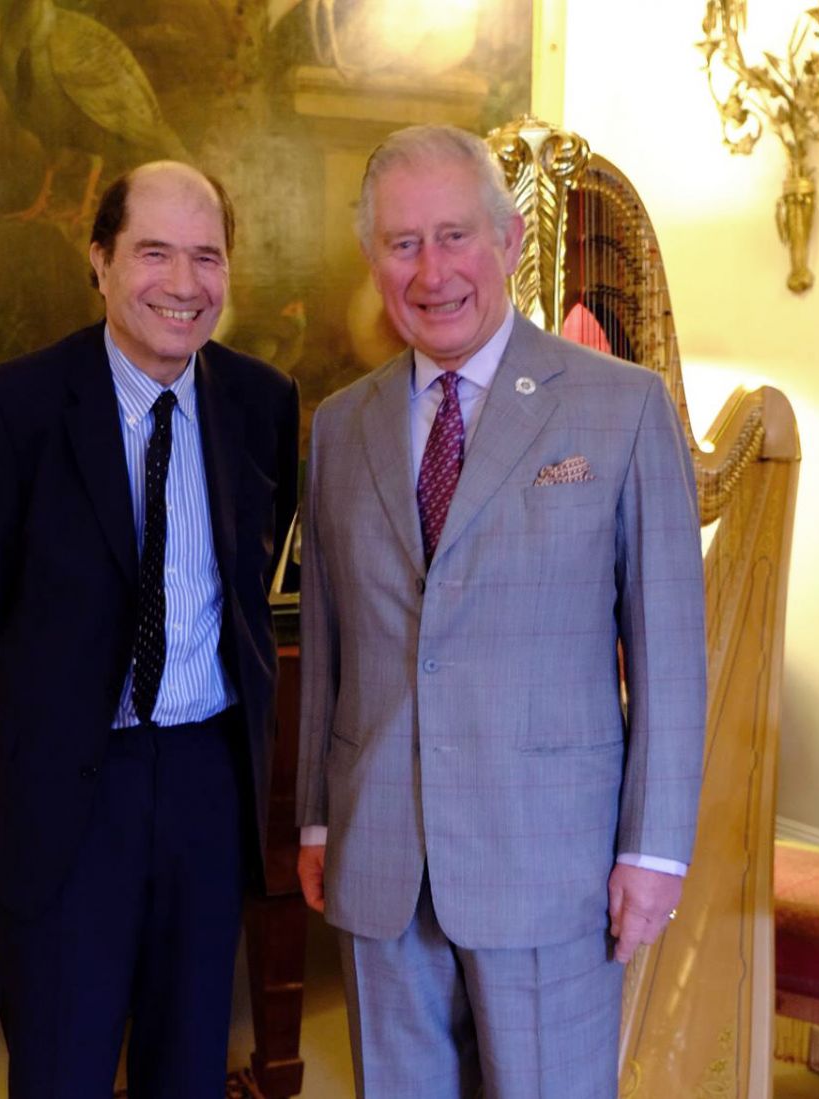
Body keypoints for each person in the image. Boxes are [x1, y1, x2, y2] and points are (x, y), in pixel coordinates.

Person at [295, 124, 705, 1099]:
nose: (430, 271)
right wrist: (316, 820)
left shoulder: (620, 408)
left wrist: (651, 848)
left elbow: (669, 655)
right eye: (401, 244)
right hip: (379, 857)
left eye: (452, 236)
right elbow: (328, 644)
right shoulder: (339, 425)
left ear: (509, 239)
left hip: (548, 863)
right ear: (370, 258)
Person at [0, 161, 299, 1099]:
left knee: (188, 1065)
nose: (184, 283)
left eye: (207, 257)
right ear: (99, 261)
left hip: (208, 786)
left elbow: (253, 585)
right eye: (155, 253)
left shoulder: (262, 403)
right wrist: (41, 741)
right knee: (62, 1062)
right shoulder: (8, 412)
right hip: (69, 790)